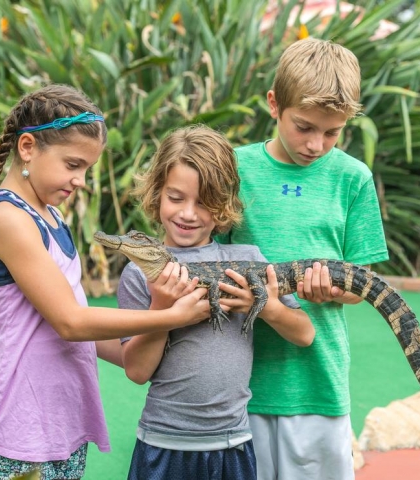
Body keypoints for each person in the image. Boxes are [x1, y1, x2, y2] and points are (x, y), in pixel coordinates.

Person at [0, 84, 213, 480]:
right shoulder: (9, 218)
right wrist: (169, 316)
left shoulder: (51, 215)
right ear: (27, 148)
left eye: (87, 169)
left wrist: (136, 352)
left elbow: (69, 329)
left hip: (57, 412)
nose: (80, 180)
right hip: (19, 418)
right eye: (72, 164)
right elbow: (71, 322)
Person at [215, 38, 390, 480]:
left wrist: (335, 292)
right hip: (238, 383)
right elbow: (209, 252)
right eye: (304, 127)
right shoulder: (234, 167)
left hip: (318, 381)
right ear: (274, 104)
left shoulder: (352, 177)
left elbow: (362, 283)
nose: (316, 144)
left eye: (332, 132)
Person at [117, 125, 315, 480]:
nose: (188, 214)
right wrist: (163, 307)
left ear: (223, 204)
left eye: (204, 202)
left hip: (232, 442)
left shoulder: (249, 257)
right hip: (162, 440)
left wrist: (264, 304)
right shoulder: (139, 274)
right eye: (176, 198)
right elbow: (137, 371)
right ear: (157, 193)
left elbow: (304, 334)